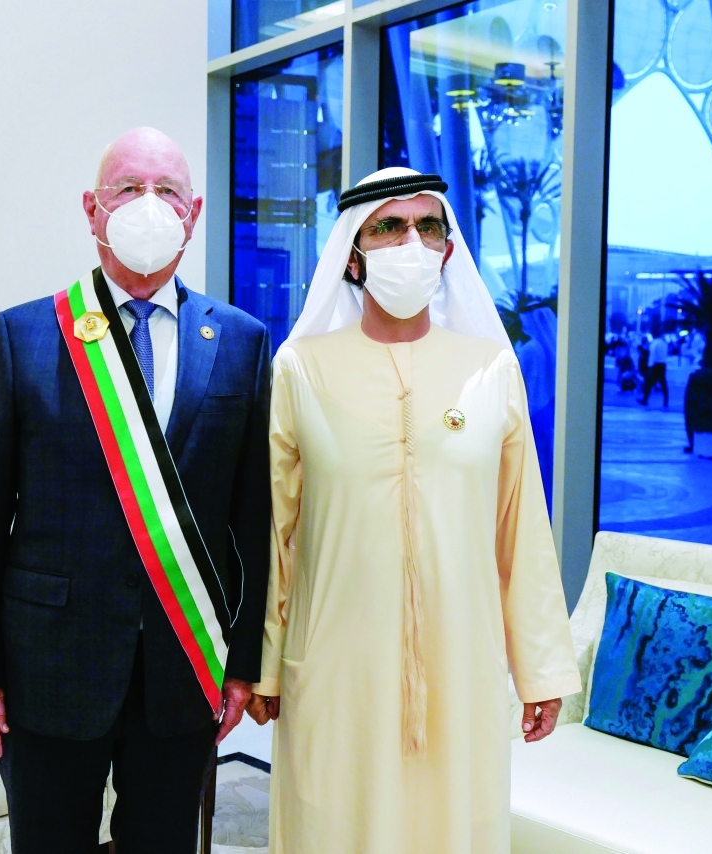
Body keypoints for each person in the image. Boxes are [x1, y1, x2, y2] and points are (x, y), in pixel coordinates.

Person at [0, 127, 271, 853]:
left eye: (167, 191)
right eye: (128, 189)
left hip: (183, 666)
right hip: (49, 668)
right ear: (92, 209)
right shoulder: (25, 335)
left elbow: (251, 522)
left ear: (193, 213)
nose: (149, 205)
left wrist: (245, 663)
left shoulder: (242, 341)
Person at [245, 167, 581, 853]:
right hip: (337, 665)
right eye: (389, 227)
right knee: (333, 824)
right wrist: (267, 665)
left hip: (462, 664)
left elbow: (520, 531)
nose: (412, 242)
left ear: (449, 251)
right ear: (354, 254)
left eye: (429, 226)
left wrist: (540, 669)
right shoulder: (302, 368)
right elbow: (275, 530)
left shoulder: (490, 369)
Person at [641, 333, 669, 406]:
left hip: (655, 366)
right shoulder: (664, 343)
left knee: (649, 383)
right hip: (663, 365)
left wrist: (649, 366)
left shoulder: (654, 343)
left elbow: (652, 356)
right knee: (663, 383)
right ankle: (666, 401)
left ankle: (645, 400)